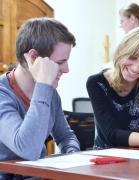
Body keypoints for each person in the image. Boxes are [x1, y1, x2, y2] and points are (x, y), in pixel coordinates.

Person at [0, 17, 80, 179]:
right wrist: (44, 84)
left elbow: (65, 137)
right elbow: (27, 149)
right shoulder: (3, 94)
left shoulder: (49, 94)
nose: (66, 69)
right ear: (34, 57)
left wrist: (73, 156)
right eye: (61, 62)